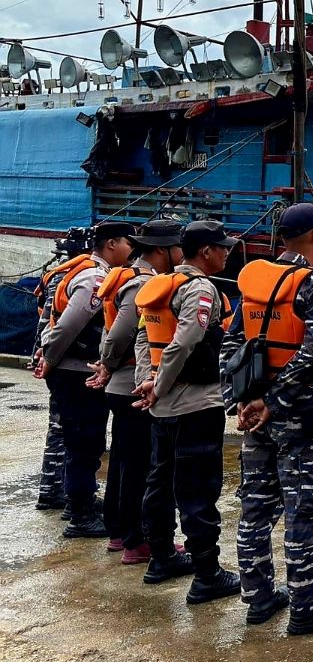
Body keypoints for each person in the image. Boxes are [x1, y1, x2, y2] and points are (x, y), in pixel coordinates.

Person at [223, 202, 313, 633]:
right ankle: (308, 608)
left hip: (259, 416)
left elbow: (231, 346)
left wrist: (243, 400)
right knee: (306, 511)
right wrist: (276, 400)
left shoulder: (255, 284)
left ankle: (259, 598)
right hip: (301, 414)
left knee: (255, 507)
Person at [133, 220, 240, 603]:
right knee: (198, 488)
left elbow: (145, 337)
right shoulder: (200, 289)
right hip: (195, 403)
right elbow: (184, 343)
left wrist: (149, 383)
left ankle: (161, 557)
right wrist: (158, 385)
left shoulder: (159, 286)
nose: (227, 253)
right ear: (205, 251)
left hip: (162, 407)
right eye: (222, 246)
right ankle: (208, 574)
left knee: (160, 481)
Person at [87, 219, 182, 564]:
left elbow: (109, 330)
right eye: (178, 247)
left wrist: (107, 366)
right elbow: (123, 332)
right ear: (162, 251)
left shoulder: (125, 278)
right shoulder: (143, 283)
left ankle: (119, 532)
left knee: (125, 462)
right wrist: (108, 365)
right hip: (133, 384)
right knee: (142, 464)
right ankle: (136, 540)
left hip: (121, 382)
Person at [38, 221, 134, 538]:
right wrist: (49, 360)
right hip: (77, 372)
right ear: (111, 245)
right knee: (83, 443)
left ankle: (82, 499)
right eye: (127, 243)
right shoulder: (95, 278)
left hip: (77, 370)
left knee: (86, 443)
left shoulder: (94, 271)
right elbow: (68, 327)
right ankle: (79, 515)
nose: (131, 249)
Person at [31, 228, 92, 513]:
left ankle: (53, 487)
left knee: (58, 428)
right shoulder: (80, 277)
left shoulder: (57, 275)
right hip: (62, 360)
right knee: (63, 431)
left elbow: (45, 320)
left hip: (49, 354)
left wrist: (39, 355)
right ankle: (55, 490)